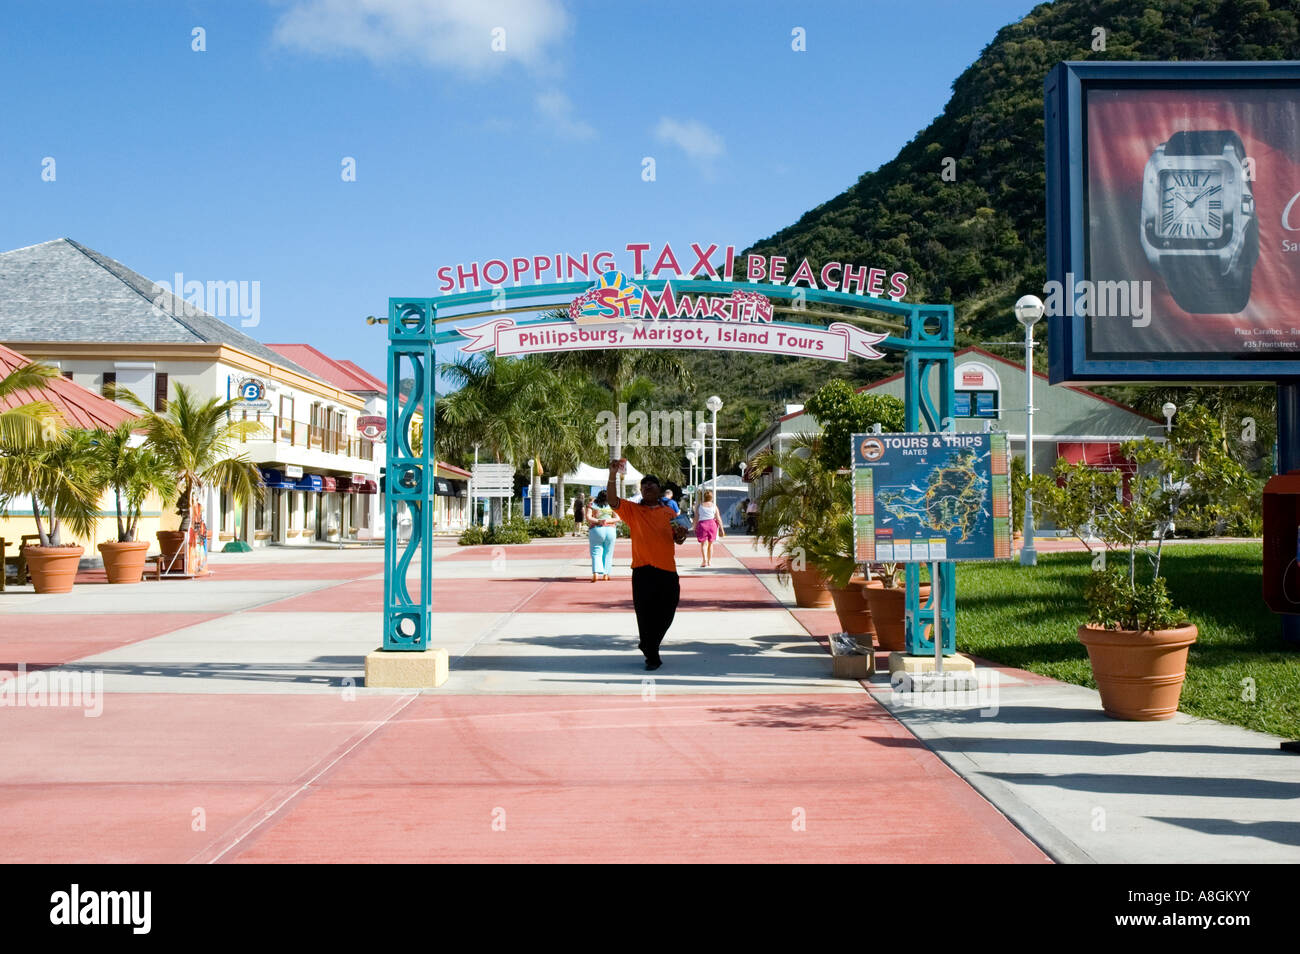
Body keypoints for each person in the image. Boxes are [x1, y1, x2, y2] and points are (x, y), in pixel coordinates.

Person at [608, 460, 688, 671]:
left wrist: (681, 535)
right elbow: (612, 500)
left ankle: (648, 644)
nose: (647, 488)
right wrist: (612, 475)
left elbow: (677, 539)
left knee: (668, 610)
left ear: (659, 490)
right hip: (642, 570)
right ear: (641, 492)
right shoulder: (633, 511)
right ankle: (652, 654)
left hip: (667, 570)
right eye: (644, 487)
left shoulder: (669, 513)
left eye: (651, 486)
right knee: (644, 614)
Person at [586, 490, 619, 582]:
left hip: (596, 530)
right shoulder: (612, 505)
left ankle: (596, 573)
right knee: (608, 552)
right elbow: (617, 518)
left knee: (596, 551)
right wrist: (607, 521)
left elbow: (588, 517)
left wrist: (598, 521)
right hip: (610, 530)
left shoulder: (591, 504)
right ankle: (606, 574)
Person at [694, 489, 725, 567]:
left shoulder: (699, 506)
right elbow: (718, 518)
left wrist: (694, 526)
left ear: (704, 497)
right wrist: (722, 528)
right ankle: (709, 561)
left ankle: (704, 561)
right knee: (710, 544)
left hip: (702, 525)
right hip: (712, 525)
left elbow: (696, 518)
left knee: (704, 544)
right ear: (712, 498)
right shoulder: (714, 506)